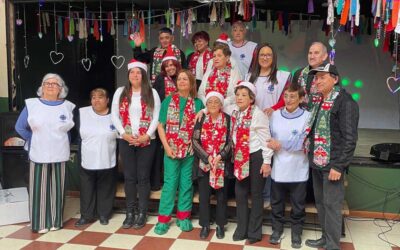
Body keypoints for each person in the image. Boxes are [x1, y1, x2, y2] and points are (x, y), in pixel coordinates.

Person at [304, 63, 359, 250]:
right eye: (316, 77)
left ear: (335, 79)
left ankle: (333, 245)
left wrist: (339, 166)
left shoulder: (346, 102)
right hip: (317, 162)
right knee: (321, 203)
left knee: (332, 205)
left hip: (333, 164)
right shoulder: (319, 100)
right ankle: (326, 238)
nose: (317, 81)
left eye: (322, 77)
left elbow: (350, 139)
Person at [15, 73, 75, 233]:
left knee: (57, 188)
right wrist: (33, 139)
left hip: (60, 152)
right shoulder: (31, 104)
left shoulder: (68, 106)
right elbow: (19, 127)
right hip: (38, 152)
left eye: (55, 83)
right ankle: (40, 223)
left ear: (61, 89)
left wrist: (64, 144)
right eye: (46, 83)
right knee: (38, 189)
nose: (50, 85)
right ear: (41, 87)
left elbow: (67, 132)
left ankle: (55, 221)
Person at [111, 59, 161, 229]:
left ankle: (142, 212)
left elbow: (156, 117)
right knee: (129, 177)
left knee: (143, 177)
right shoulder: (121, 92)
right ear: (128, 75)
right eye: (132, 72)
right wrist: (124, 134)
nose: (135, 75)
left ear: (143, 75)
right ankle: (130, 212)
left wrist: (146, 135)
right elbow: (114, 115)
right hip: (126, 140)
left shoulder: (152, 92)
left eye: (138, 72)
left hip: (147, 141)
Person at [154, 69, 204, 235]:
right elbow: (160, 125)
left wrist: (203, 111)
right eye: (180, 79)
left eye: (186, 79)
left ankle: (183, 217)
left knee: (186, 184)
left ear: (191, 84)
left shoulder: (197, 103)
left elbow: (203, 124)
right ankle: (163, 219)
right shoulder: (168, 101)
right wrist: (167, 147)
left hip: (189, 152)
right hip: (171, 151)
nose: (182, 81)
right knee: (169, 184)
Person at [267, 84, 311, 248]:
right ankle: (277, 230)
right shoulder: (275, 115)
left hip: (299, 169)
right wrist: (275, 144)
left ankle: (296, 233)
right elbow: (269, 140)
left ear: (301, 99)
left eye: (293, 96)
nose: (288, 100)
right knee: (277, 203)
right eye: (286, 96)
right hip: (278, 169)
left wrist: (280, 143)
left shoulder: (308, 116)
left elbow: (303, 142)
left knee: (298, 205)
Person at [231, 81, 273, 244]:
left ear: (251, 99)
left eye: (244, 95)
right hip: (241, 158)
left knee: (256, 195)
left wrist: (266, 162)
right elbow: (219, 104)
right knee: (240, 194)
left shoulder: (258, 114)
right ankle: (241, 229)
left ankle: (254, 232)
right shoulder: (235, 112)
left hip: (256, 158)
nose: (239, 98)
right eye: (238, 95)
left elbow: (266, 139)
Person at [75, 88, 117, 227]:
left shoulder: (115, 115)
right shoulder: (83, 113)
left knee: (106, 186)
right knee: (87, 186)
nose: (96, 100)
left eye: (100, 97)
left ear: (107, 100)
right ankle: (86, 215)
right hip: (87, 156)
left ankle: (104, 214)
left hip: (108, 156)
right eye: (93, 97)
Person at [192, 91, 232, 240]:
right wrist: (207, 157)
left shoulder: (228, 119)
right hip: (204, 164)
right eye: (210, 102)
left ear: (221, 105)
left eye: (216, 102)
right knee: (204, 196)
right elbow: (194, 140)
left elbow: (230, 141)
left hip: (221, 164)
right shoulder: (201, 119)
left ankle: (221, 225)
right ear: (206, 105)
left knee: (221, 196)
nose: (213, 104)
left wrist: (220, 156)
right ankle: (205, 225)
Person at [152, 45, 182, 191]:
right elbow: (155, 98)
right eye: (167, 66)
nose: (170, 68)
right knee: (159, 150)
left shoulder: (182, 77)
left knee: (177, 150)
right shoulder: (159, 79)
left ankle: (176, 183)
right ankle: (157, 181)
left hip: (180, 120)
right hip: (163, 119)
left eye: (172, 65)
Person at [198, 43, 241, 113]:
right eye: (214, 56)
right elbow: (200, 93)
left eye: (219, 55)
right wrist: (209, 105)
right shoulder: (208, 73)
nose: (216, 58)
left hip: (227, 111)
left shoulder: (234, 74)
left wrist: (219, 104)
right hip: (208, 111)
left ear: (227, 58)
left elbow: (236, 95)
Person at [291, 42, 328, 107]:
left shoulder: (330, 75)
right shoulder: (298, 73)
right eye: (310, 53)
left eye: (316, 53)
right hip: (300, 114)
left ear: (324, 56)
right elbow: (292, 96)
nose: (312, 56)